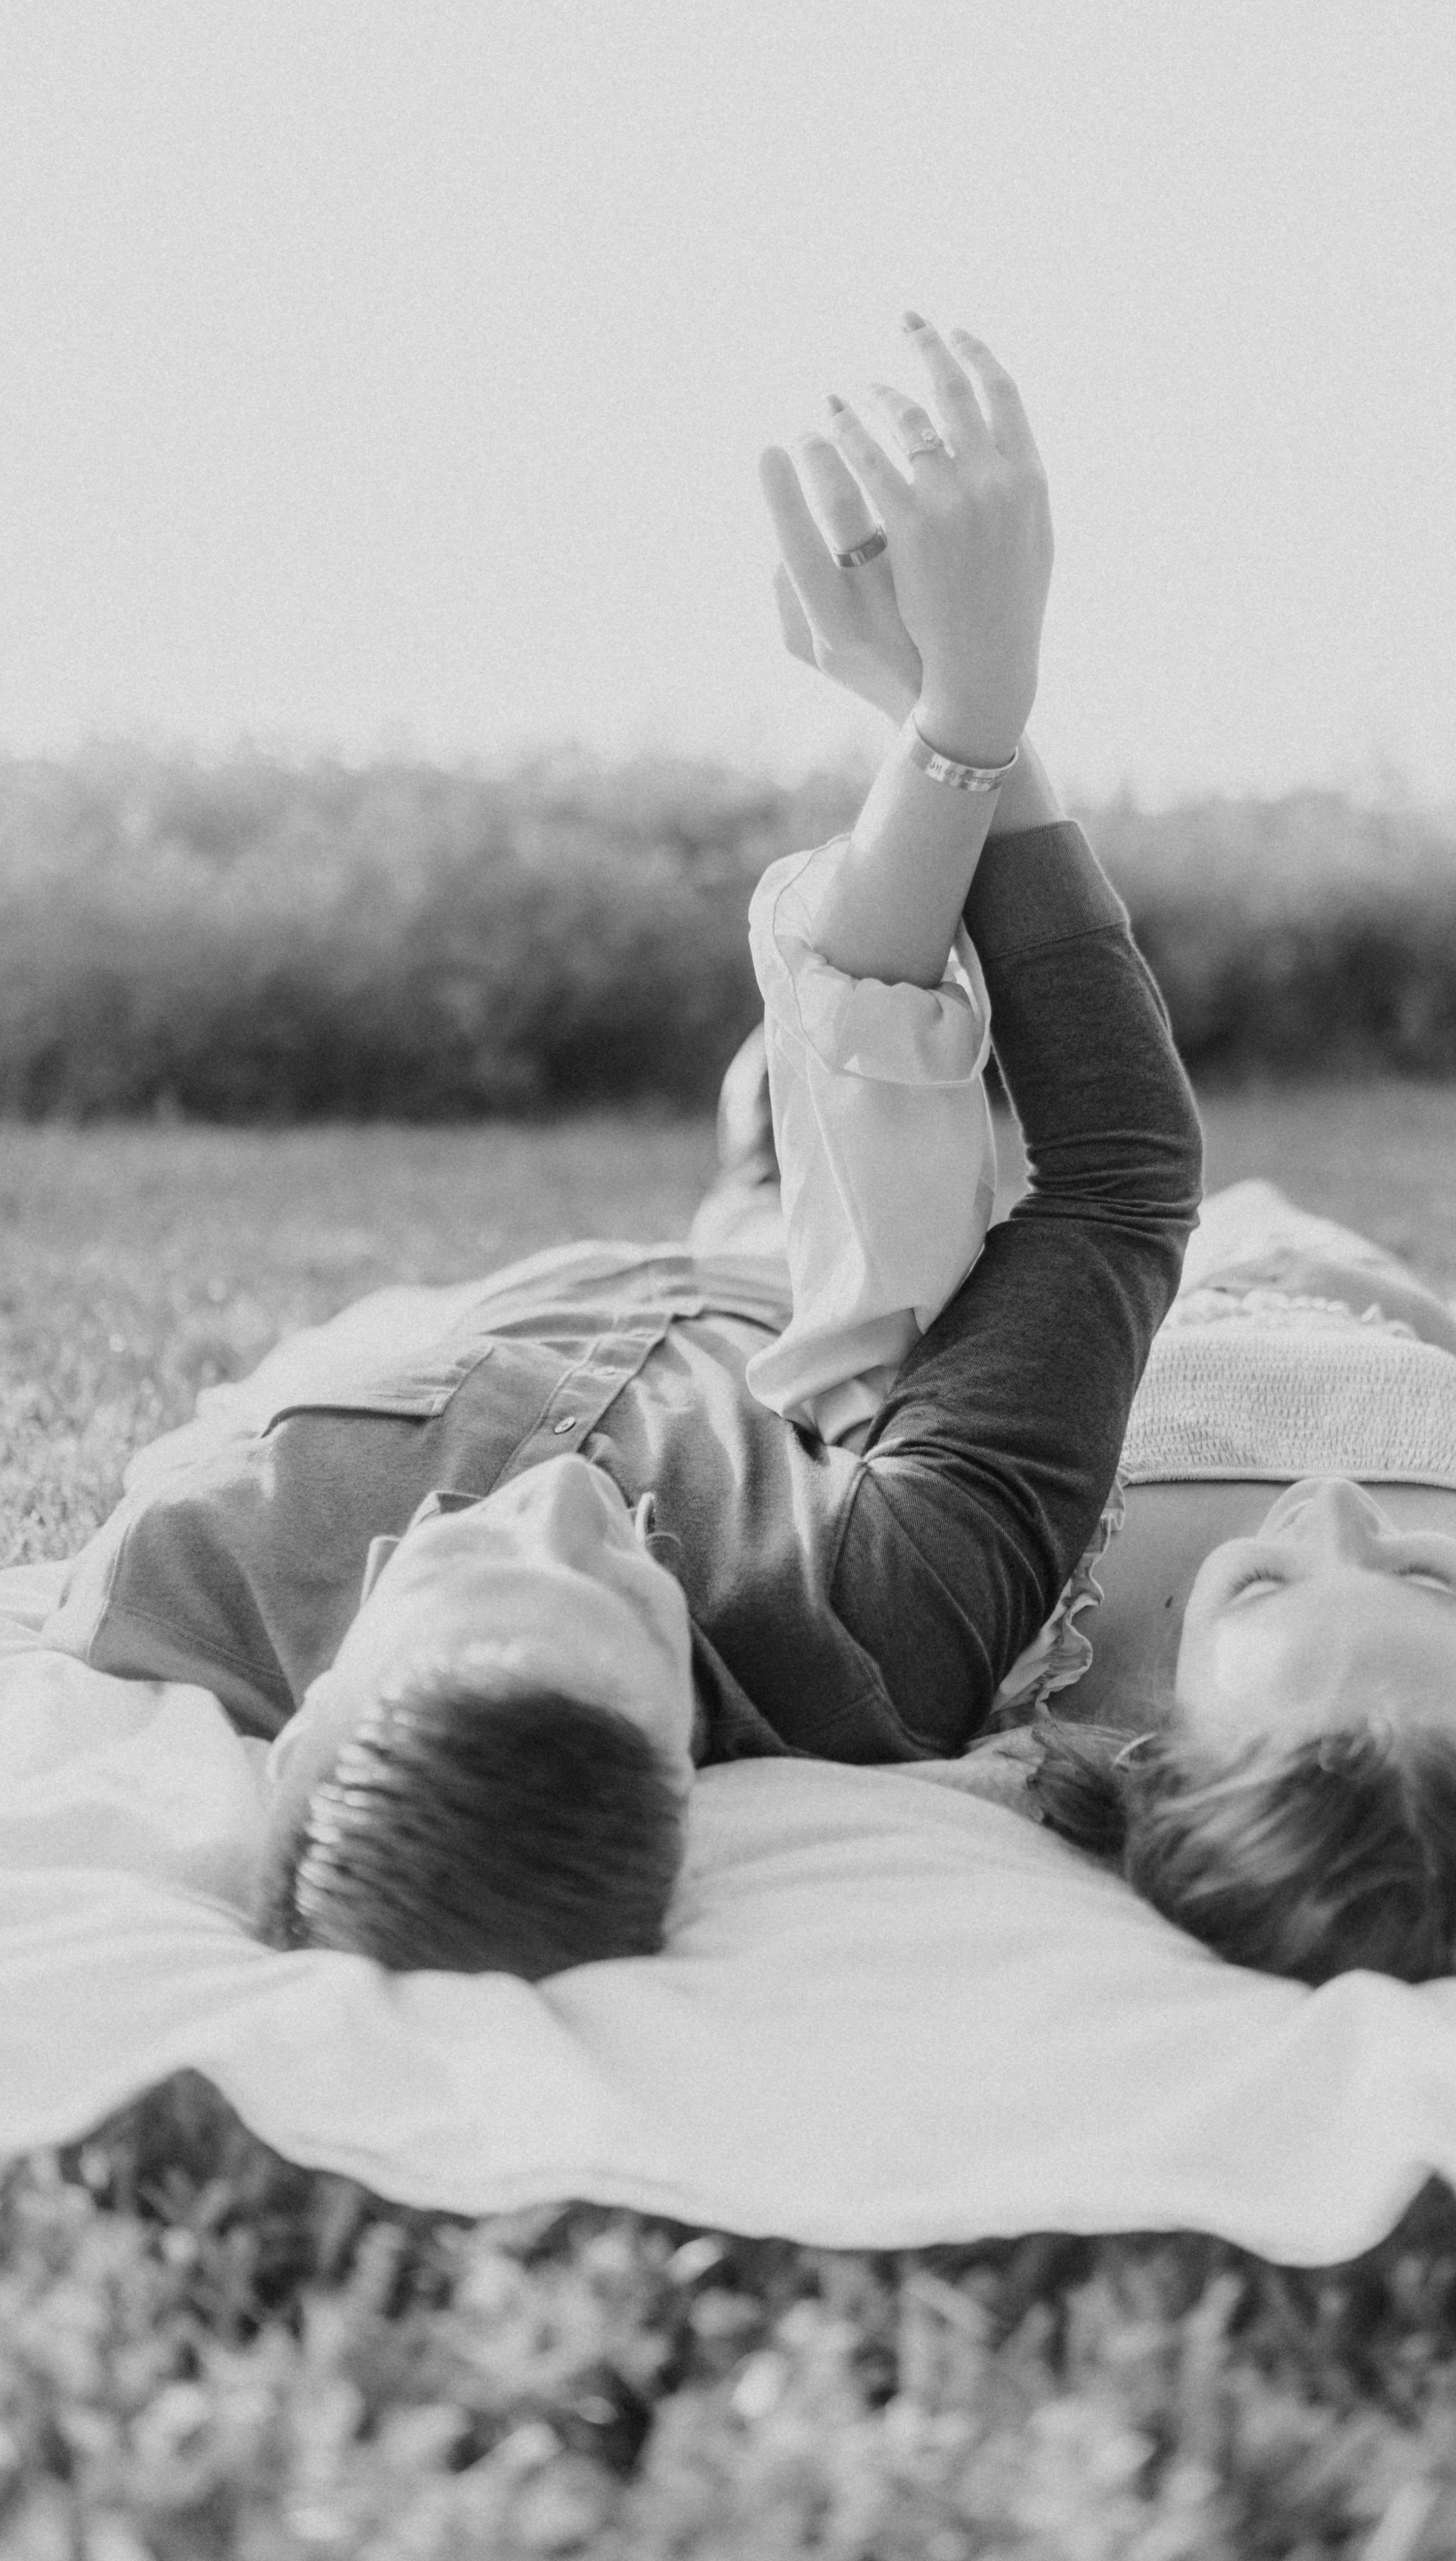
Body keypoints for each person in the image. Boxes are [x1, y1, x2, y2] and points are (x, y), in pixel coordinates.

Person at [38, 315, 1202, 1979]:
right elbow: (1119, 1180)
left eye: (486, 1572)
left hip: (650, 1262)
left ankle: (917, 750)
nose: (577, 1512)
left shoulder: (180, 1570)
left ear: (298, 1740)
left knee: (818, 1052)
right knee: (851, 1087)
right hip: (823, 1288)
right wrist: (985, 711)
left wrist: (955, 723)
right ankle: (925, 738)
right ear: (694, 1764)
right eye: (638, 1613)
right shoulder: (877, 1643)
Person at [761, 432, 1456, 1990]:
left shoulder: (1016, 1636)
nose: (1325, 1515)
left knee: (806, 1222)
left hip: (1123, 1285)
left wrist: (959, 713)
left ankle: (736, 1158)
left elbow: (889, 1108)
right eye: (1423, 1577)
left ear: (1149, 1756)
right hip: (1360, 1290)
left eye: (1258, 1586)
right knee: (1270, 1218)